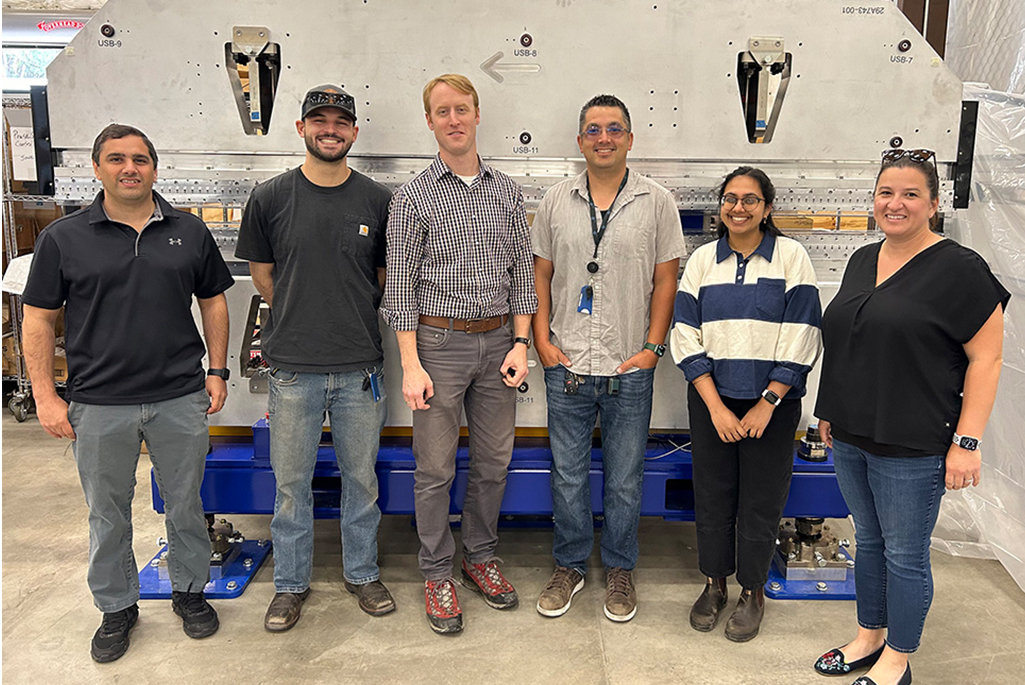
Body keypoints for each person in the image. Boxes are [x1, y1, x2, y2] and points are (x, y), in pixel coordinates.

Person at [21, 123, 233, 662]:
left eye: (140, 159)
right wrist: (46, 394)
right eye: (116, 159)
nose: (129, 168)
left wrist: (218, 370)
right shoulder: (63, 238)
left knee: (186, 504)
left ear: (155, 169)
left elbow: (213, 301)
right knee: (107, 512)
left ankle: (189, 592)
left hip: (178, 396)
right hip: (97, 402)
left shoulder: (188, 231)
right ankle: (117, 607)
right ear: (97, 169)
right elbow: (39, 318)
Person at [812, 149, 1009, 685]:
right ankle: (868, 636)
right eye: (885, 193)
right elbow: (848, 341)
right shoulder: (861, 258)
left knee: (903, 553)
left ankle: (898, 658)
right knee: (867, 541)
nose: (894, 204)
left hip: (915, 440)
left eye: (910, 194)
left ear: (934, 203)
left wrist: (967, 441)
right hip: (852, 432)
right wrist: (828, 409)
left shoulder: (961, 269)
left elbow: (986, 359)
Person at [235, 85, 395, 632]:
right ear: (301, 128)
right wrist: (305, 315)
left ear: (354, 132)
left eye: (341, 122)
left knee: (361, 480)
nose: (330, 129)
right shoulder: (271, 197)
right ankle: (289, 586)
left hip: (359, 369)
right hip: (293, 370)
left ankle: (363, 573)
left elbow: (381, 280)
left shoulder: (377, 200)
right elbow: (262, 276)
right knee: (291, 485)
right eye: (319, 120)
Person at [382, 73, 537, 635]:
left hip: (499, 344)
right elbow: (398, 288)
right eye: (442, 111)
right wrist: (411, 364)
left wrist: (520, 342)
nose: (453, 119)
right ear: (429, 121)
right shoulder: (412, 198)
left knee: (494, 462)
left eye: (462, 109)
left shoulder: (506, 191)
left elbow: (524, 276)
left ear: (477, 115)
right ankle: (436, 571)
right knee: (435, 469)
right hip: (438, 344)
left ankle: (480, 557)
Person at [531, 94, 685, 622]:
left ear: (629, 138)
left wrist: (652, 348)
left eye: (614, 129)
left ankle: (620, 570)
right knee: (567, 475)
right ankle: (570, 566)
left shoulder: (657, 202)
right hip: (568, 363)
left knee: (624, 477)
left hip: (627, 365)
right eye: (593, 130)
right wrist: (543, 343)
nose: (603, 138)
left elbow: (667, 280)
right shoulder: (555, 201)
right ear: (580, 141)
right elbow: (541, 276)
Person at [670, 166, 822, 642]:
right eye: (730, 199)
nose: (738, 207)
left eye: (750, 199)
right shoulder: (700, 262)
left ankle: (752, 591)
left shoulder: (792, 257)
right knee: (712, 495)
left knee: (760, 500)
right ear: (721, 207)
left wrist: (767, 402)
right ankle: (714, 584)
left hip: (770, 408)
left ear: (767, 208)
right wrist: (715, 406)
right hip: (713, 400)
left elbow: (804, 333)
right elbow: (684, 334)